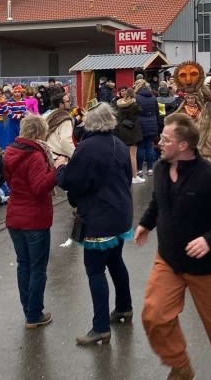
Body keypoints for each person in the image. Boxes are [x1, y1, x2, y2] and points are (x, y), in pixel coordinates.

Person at [135, 113, 211, 380]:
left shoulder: (210, 177)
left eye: (165, 138)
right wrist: (146, 223)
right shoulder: (162, 168)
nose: (159, 142)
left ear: (183, 145)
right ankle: (181, 366)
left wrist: (210, 239)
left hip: (206, 268)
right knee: (154, 316)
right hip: (169, 260)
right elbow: (158, 200)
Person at [55, 103, 134, 345]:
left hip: (100, 217)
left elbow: (73, 182)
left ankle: (100, 327)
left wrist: (60, 168)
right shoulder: (118, 144)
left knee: (95, 270)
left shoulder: (88, 148)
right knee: (115, 261)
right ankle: (123, 308)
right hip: (121, 212)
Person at [3, 115, 65, 329]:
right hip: (35, 217)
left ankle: (28, 309)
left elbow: (12, 182)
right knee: (38, 267)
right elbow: (39, 187)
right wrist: (57, 169)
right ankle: (34, 314)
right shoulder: (36, 156)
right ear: (41, 133)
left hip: (15, 215)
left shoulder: (11, 151)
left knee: (23, 265)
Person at [115, 88, 144, 183]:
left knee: (124, 154)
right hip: (133, 131)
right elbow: (139, 112)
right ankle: (134, 176)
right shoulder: (134, 105)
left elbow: (118, 118)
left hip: (123, 130)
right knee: (132, 155)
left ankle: (125, 175)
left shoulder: (120, 105)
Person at [135, 79, 159, 177]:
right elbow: (157, 113)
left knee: (140, 147)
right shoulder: (153, 98)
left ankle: (139, 169)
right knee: (149, 146)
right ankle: (150, 169)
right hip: (152, 124)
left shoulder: (136, 98)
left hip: (140, 125)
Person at [45, 93, 77, 159]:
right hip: (59, 159)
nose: (70, 103)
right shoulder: (66, 120)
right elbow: (65, 141)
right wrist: (76, 157)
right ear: (61, 105)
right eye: (67, 101)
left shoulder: (49, 115)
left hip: (48, 155)